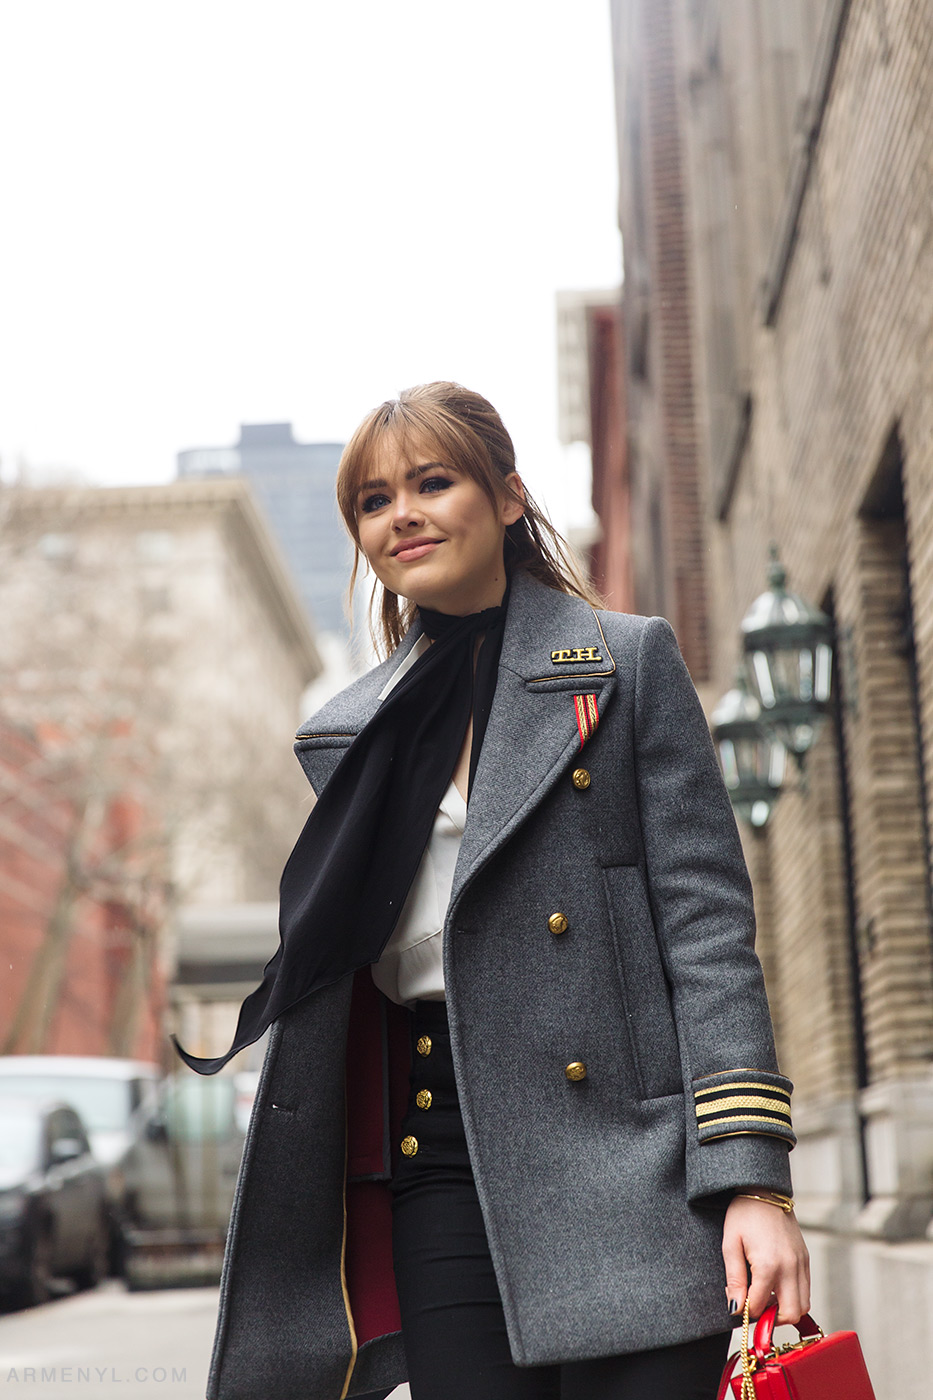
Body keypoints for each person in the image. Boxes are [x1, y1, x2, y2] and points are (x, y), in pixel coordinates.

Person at [181, 382, 810, 1400]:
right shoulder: (355, 734)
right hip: (442, 1172)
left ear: (510, 495)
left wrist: (752, 1177)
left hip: (633, 1164)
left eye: (434, 481)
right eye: (375, 501)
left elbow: (707, 935)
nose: (404, 514)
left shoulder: (622, 662)